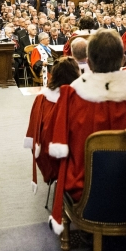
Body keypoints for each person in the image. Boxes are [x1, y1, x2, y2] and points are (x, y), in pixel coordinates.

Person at [47, 29, 126, 234]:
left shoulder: (72, 95)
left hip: (90, 196)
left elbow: (56, 153)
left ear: (88, 63)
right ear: (123, 58)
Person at [25, 57, 80, 190]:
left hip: (47, 154)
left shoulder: (42, 98)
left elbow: (34, 132)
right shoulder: (79, 99)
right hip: (73, 157)